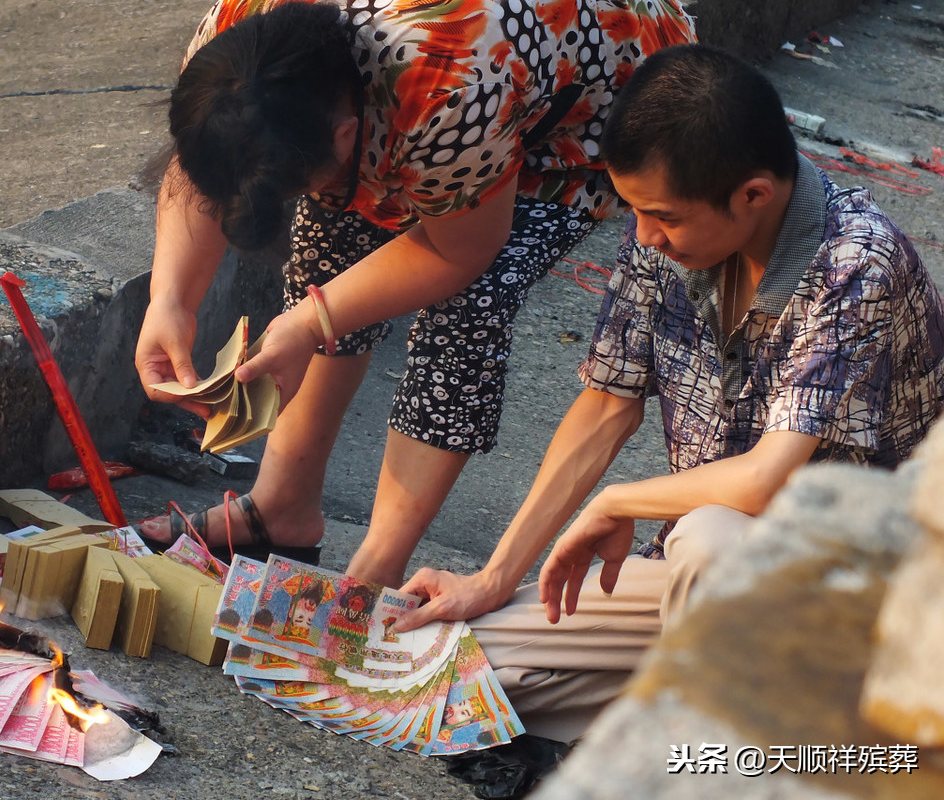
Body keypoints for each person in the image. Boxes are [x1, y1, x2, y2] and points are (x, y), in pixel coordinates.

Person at [395, 43, 944, 792]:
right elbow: (605, 405)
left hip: (856, 614)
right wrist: (495, 577)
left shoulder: (858, 263)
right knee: (440, 670)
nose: (645, 235)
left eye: (662, 217)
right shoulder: (668, 233)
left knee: (712, 533)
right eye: (636, 212)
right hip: (703, 589)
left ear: (752, 194)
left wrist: (619, 500)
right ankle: (715, 733)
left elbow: (762, 484)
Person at [132, 0, 696, 586]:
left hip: (587, 101)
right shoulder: (235, 43)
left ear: (347, 135)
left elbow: (461, 251)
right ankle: (282, 511)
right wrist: (170, 302)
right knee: (330, 242)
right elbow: (202, 165)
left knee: (470, 303)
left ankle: (372, 573)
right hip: (476, 60)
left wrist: (309, 322)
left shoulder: (449, 86)